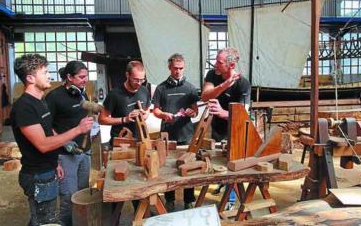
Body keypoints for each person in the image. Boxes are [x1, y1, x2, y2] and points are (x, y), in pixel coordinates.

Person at [10, 54, 93, 226]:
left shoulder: (40, 102)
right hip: (37, 175)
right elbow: (42, 144)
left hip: (48, 169)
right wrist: (78, 129)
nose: (50, 76)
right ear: (30, 78)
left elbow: (49, 133)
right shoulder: (24, 107)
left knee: (45, 218)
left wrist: (55, 163)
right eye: (45, 72)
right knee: (42, 221)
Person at [201, 47, 251, 205]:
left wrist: (223, 113)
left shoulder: (243, 83)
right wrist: (225, 84)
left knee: (232, 163)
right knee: (218, 160)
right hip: (217, 128)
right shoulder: (212, 74)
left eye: (219, 62)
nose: (215, 64)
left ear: (230, 66)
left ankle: (230, 200)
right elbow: (204, 96)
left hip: (235, 129)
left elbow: (244, 114)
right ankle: (223, 184)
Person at [45, 61, 91, 226]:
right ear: (69, 77)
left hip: (84, 152)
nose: (85, 79)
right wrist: (64, 142)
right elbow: (46, 126)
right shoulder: (53, 97)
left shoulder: (81, 94)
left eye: (86, 76)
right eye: (81, 77)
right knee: (69, 197)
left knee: (83, 195)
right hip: (65, 155)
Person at [152, 53, 199, 211]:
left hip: (186, 135)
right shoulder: (161, 88)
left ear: (184, 68)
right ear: (169, 68)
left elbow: (195, 110)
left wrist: (192, 113)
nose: (178, 71)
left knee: (188, 168)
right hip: (167, 135)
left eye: (180, 68)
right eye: (175, 68)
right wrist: (164, 115)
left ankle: (188, 200)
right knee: (167, 169)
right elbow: (155, 110)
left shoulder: (191, 88)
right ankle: (170, 199)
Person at [99, 60, 151, 145]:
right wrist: (124, 119)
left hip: (140, 140)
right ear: (127, 75)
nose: (139, 83)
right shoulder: (114, 94)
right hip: (120, 141)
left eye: (142, 80)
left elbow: (147, 109)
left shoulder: (144, 91)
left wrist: (144, 116)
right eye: (136, 79)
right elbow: (102, 119)